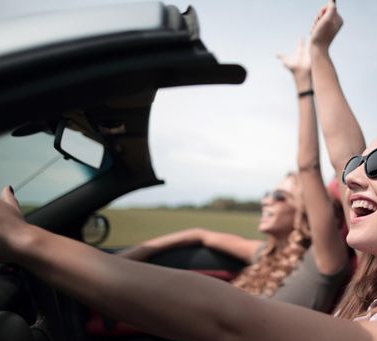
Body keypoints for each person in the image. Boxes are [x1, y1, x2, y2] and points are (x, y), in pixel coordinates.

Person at [0, 1, 377, 341]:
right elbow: (342, 156)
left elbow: (233, 322)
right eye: (358, 167)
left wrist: (24, 240)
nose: (355, 178)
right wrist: (318, 55)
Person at [115, 38, 352, 312]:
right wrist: (128, 256)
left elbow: (308, 166)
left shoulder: (324, 260)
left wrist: (302, 81)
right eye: (268, 194)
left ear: (306, 211)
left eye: (280, 196)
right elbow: (200, 234)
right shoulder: (266, 255)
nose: (266, 201)